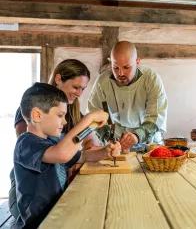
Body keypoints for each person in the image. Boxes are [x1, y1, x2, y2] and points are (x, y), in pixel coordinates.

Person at [13, 83, 121, 229]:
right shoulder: (25, 143)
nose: (64, 122)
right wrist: (90, 119)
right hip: (37, 224)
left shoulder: (51, 142)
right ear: (37, 115)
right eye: (60, 115)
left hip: (57, 216)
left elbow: (82, 157)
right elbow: (62, 154)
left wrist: (104, 152)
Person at [9, 59, 101, 219]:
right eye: (76, 87)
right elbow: (59, 153)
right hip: (31, 204)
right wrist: (89, 121)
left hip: (55, 194)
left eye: (83, 89)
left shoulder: (72, 115)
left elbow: (82, 151)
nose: (79, 93)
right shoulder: (27, 139)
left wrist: (104, 149)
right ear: (58, 79)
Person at [87, 41, 168, 150]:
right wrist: (107, 136)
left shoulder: (151, 80)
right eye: (115, 68)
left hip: (149, 143)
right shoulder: (102, 82)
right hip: (116, 144)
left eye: (126, 67)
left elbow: (156, 116)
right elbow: (94, 115)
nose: (120, 73)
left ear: (137, 62)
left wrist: (137, 135)